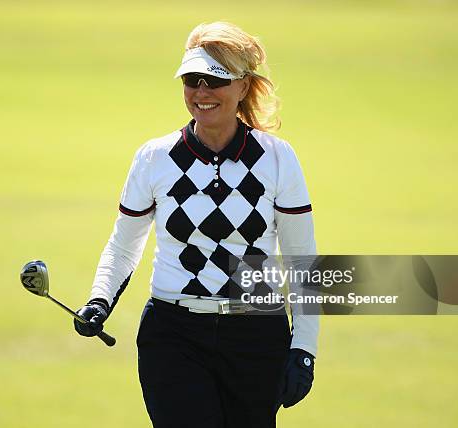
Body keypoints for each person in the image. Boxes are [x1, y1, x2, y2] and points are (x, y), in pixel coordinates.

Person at [74, 21, 318, 428]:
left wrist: (304, 348)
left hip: (256, 334)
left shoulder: (279, 158)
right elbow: (122, 246)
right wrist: (100, 301)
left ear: (243, 85)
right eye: (192, 79)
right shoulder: (155, 157)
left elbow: (302, 260)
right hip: (174, 335)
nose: (201, 92)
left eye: (215, 80)